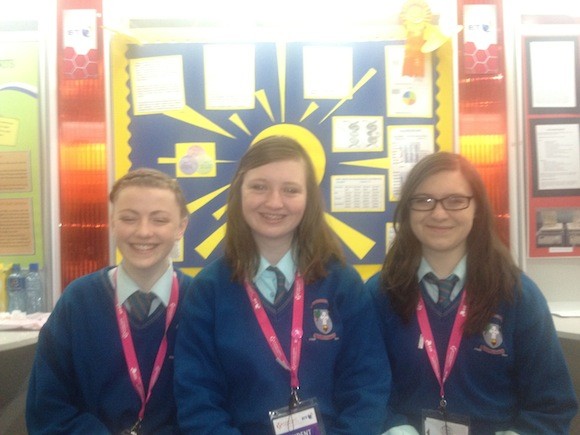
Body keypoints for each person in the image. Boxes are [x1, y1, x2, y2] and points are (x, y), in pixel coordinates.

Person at [174, 135, 390, 434]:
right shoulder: (208, 290)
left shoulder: (342, 284)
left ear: (309, 199)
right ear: (240, 192)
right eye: (259, 187)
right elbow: (198, 397)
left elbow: (367, 386)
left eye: (290, 190)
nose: (274, 202)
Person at [366, 152, 578, 434]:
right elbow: (364, 388)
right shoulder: (380, 294)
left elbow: (553, 405)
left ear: (476, 208)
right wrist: (393, 428)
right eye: (424, 200)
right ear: (407, 209)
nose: (439, 213)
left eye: (455, 200)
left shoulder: (518, 295)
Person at [27, 168, 194, 434]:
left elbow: (211, 401)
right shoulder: (77, 302)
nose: (143, 232)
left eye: (159, 220)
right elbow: (47, 404)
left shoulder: (199, 303)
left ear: (181, 227)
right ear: (113, 222)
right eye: (129, 218)